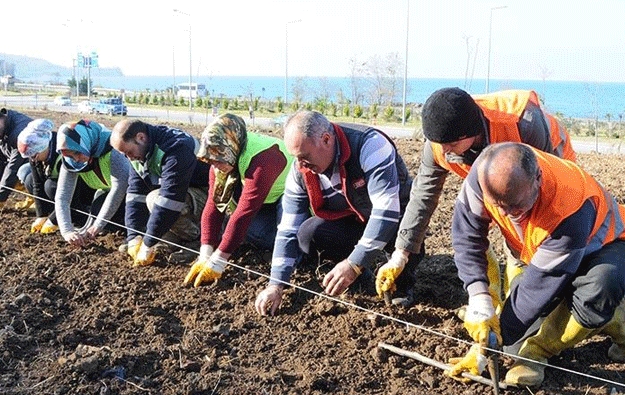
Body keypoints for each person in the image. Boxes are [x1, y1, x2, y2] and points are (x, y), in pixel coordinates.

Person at [445, 142, 625, 387]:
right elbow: (467, 238)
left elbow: (538, 289)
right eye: (498, 206)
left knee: (601, 287)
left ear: (537, 179)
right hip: (542, 255)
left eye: (515, 205)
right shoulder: (484, 176)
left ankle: (541, 351)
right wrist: (479, 297)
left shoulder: (568, 205)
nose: (506, 214)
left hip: (606, 243)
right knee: (512, 339)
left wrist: (488, 346)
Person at [377, 87, 577, 308]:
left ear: (471, 133)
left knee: (532, 235)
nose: (443, 152)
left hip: (548, 164)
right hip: (489, 174)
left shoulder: (523, 123)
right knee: (481, 219)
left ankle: (536, 296)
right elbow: (422, 196)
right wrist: (401, 254)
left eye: (451, 146)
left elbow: (541, 190)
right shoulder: (441, 140)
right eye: (439, 145)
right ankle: (490, 298)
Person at [254, 110, 422, 316]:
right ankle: (361, 276)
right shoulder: (300, 170)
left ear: (326, 139)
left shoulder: (370, 144)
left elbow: (386, 212)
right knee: (309, 231)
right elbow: (288, 227)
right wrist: (276, 283)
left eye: (304, 157)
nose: (300, 165)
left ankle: (402, 283)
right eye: (296, 158)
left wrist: (354, 263)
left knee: (402, 232)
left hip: (396, 219)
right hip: (356, 219)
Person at [183, 113, 293, 287]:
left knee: (283, 238)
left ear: (232, 146)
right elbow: (213, 207)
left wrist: (219, 261)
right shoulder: (220, 163)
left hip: (290, 200)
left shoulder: (264, 158)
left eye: (218, 159)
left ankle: (298, 254)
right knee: (252, 234)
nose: (214, 166)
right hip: (265, 203)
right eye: (211, 161)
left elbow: (245, 212)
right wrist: (205, 254)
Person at [110, 119, 209, 267]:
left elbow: (170, 200)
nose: (128, 157)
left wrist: (148, 243)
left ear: (141, 137)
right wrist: (133, 236)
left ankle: (198, 239)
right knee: (154, 201)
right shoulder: (142, 150)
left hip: (211, 196)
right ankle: (174, 237)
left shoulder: (177, 147)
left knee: (155, 199)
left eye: (129, 152)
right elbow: (135, 193)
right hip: (187, 194)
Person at [16, 119, 98, 234]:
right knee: (29, 180)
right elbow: (37, 184)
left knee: (51, 186)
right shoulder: (35, 155)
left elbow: (71, 194)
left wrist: (53, 221)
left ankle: (76, 216)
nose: (32, 159)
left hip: (81, 192)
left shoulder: (64, 153)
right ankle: (53, 212)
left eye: (34, 156)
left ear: (43, 146)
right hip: (61, 194)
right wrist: (42, 215)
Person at [55, 119, 129, 248]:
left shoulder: (113, 150)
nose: (77, 159)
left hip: (132, 194)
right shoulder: (70, 161)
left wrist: (97, 226)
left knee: (108, 210)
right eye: (71, 156)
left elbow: (119, 189)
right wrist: (67, 231)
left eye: (78, 152)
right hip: (106, 192)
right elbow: (62, 196)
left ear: (86, 141)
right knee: (98, 206)